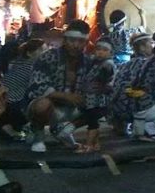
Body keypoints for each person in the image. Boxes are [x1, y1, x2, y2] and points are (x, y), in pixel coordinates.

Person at [24, 20, 92, 153]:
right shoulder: (47, 57)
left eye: (80, 41)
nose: (76, 45)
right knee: (42, 105)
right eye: (72, 40)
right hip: (50, 106)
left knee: (101, 102)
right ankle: (38, 135)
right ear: (65, 39)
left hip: (73, 108)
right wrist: (66, 96)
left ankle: (64, 129)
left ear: (86, 42)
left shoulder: (88, 62)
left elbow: (93, 87)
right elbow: (37, 87)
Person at [77, 37, 116, 153]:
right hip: (91, 98)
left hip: (98, 99)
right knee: (93, 122)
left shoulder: (107, 64)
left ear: (110, 52)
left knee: (92, 122)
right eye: (98, 49)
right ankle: (95, 143)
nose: (100, 52)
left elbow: (106, 83)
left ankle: (88, 145)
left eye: (105, 50)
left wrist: (102, 87)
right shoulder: (95, 62)